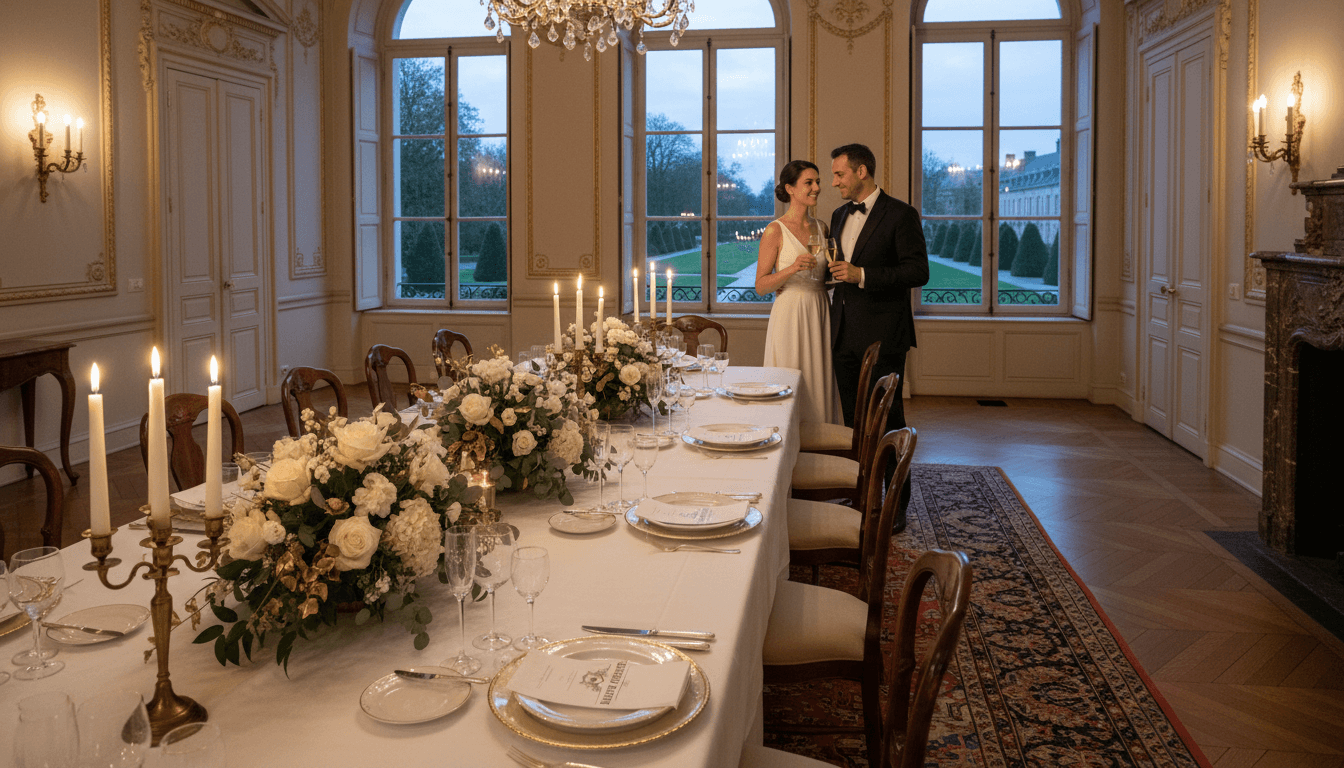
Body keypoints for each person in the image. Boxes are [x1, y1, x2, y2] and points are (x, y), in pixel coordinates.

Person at [826, 143, 929, 447]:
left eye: (839, 174)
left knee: (888, 421)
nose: (834, 182)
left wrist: (863, 275)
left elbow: (918, 272)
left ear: (862, 171)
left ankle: (895, 494)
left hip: (883, 338)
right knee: (852, 421)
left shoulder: (901, 214)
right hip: (842, 335)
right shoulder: (838, 215)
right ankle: (860, 489)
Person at [755, 160, 843, 425]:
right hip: (789, 313)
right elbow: (761, 286)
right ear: (790, 188)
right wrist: (791, 269)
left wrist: (837, 276)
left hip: (819, 309)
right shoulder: (775, 230)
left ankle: (820, 440)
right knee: (788, 373)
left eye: (817, 182)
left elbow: (821, 277)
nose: (817, 187)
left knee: (818, 376)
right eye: (809, 182)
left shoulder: (821, 227)